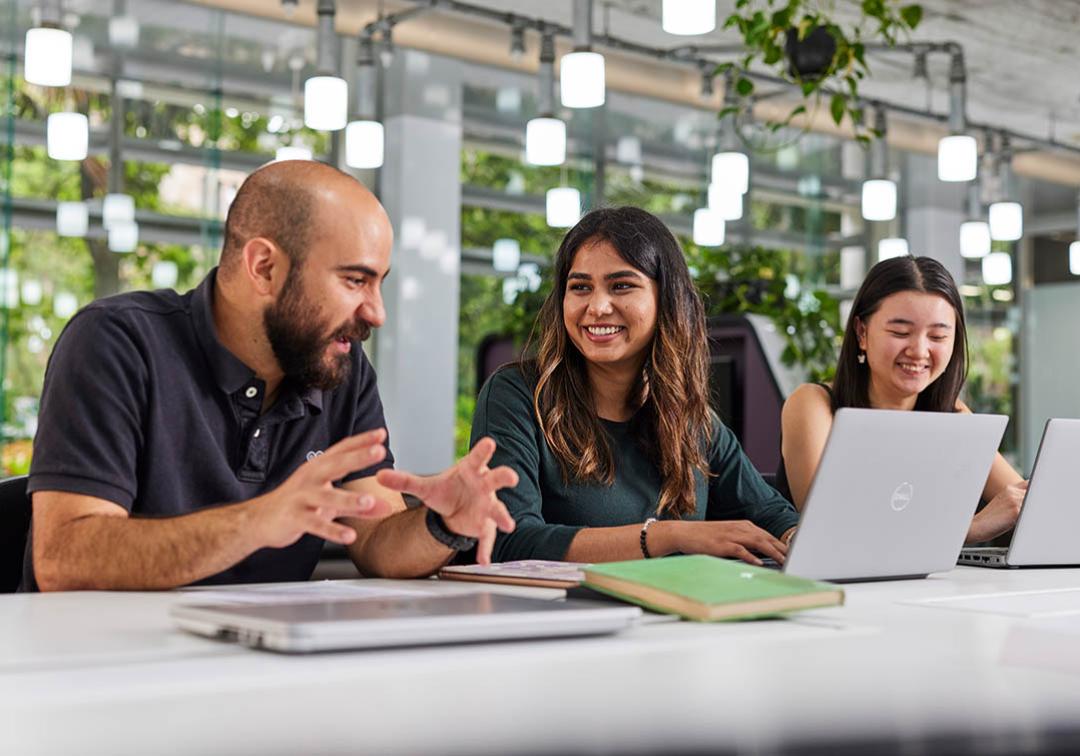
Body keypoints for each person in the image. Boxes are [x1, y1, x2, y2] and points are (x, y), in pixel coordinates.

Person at [24, 160, 517, 592]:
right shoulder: (117, 342)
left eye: (379, 283)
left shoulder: (339, 370)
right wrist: (256, 522)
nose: (376, 312)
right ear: (263, 267)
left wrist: (442, 523)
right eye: (354, 280)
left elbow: (376, 540)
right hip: (100, 670)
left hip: (261, 670)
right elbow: (65, 557)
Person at [470, 206, 799, 567]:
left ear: (666, 299)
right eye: (580, 287)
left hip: (673, 616)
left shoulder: (689, 418)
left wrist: (798, 537)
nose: (596, 307)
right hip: (563, 617)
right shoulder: (515, 395)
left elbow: (771, 514)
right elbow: (508, 542)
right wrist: (665, 535)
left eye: (621, 286)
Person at [779, 255, 1024, 544]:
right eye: (900, 332)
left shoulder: (951, 414)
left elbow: (1023, 504)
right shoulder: (814, 405)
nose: (919, 351)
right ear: (862, 332)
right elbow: (828, 527)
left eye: (938, 336)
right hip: (839, 586)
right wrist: (969, 529)